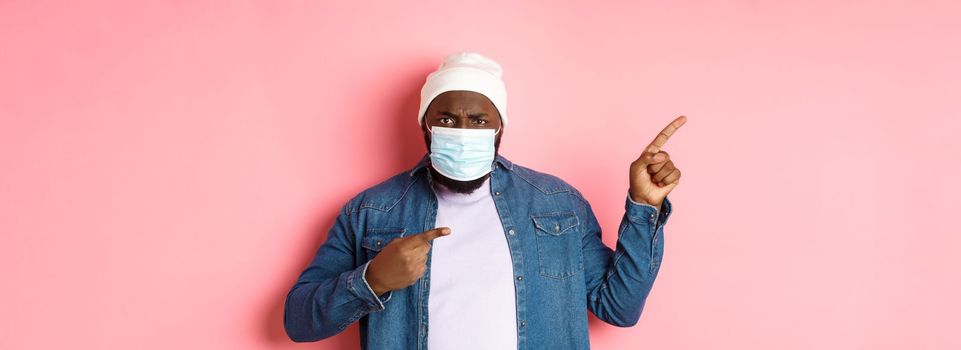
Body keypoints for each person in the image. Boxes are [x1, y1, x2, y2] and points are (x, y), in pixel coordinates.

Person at [283, 52, 685, 349]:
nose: (461, 131)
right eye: (445, 119)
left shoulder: (557, 204)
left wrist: (643, 207)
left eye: (478, 121)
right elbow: (299, 321)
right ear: (424, 124)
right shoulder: (370, 211)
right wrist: (372, 279)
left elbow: (619, 308)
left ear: (499, 128)